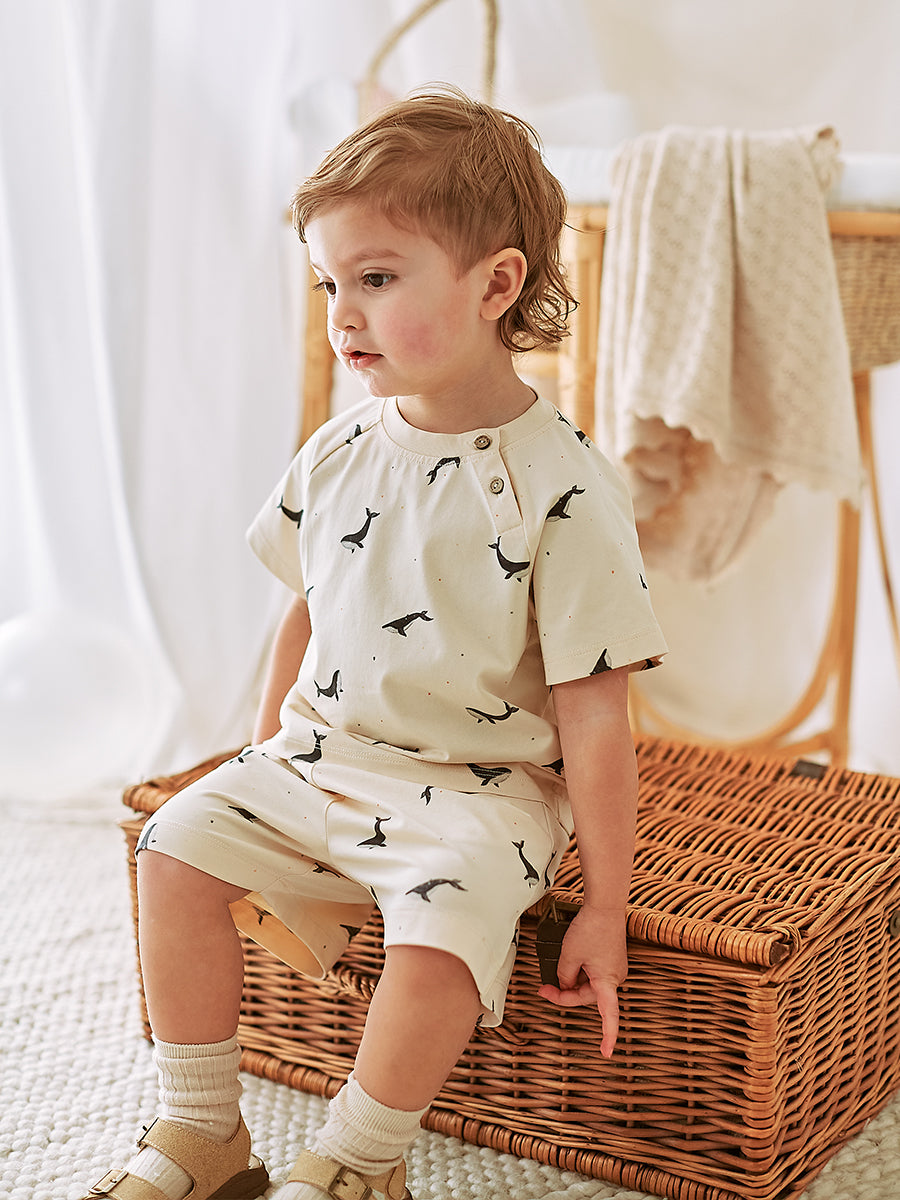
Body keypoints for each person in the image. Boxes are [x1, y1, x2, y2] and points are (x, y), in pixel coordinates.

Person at [82, 87, 667, 1200]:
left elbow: (596, 709)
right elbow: (306, 611)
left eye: (378, 279)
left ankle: (359, 1159)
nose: (342, 316)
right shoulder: (339, 449)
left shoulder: (568, 489)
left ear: (496, 285)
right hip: (323, 759)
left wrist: (603, 904)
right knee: (171, 846)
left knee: (445, 926)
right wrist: (261, 761)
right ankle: (203, 1130)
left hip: (483, 792)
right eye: (329, 284)